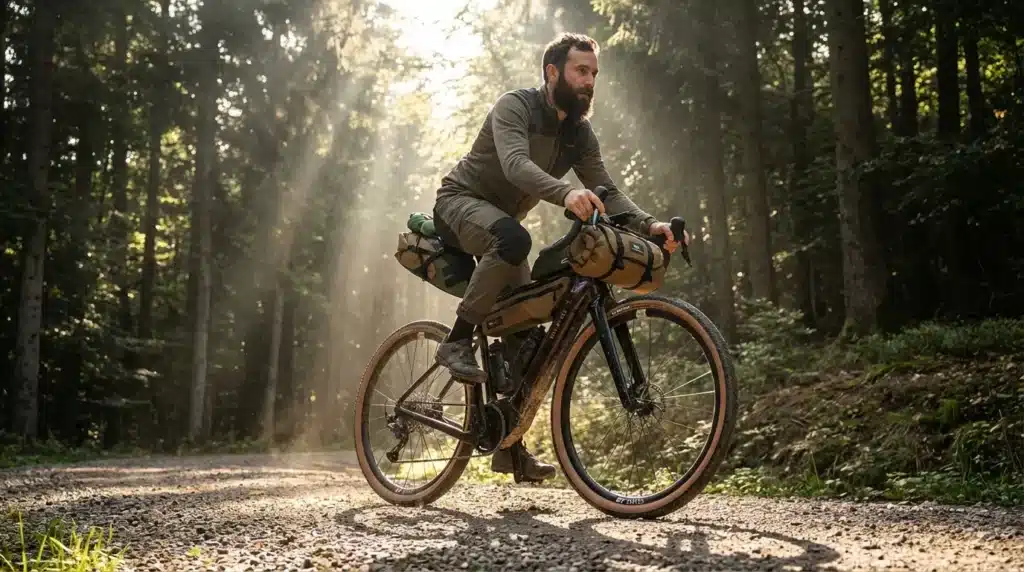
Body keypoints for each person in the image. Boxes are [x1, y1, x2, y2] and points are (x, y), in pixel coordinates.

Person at [429, 32, 690, 482]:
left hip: (500, 224)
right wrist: (568, 193)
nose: (589, 81)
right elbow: (514, 165)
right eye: (580, 71)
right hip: (459, 204)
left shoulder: (579, 133)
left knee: (522, 334)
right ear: (553, 72)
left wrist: (650, 225)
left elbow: (606, 188)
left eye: (594, 73)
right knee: (515, 241)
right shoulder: (516, 106)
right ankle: (455, 340)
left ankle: (509, 448)